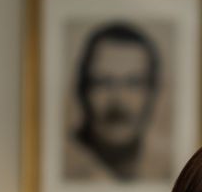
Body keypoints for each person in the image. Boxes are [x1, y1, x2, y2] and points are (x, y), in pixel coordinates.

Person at [64, 21, 169, 182]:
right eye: (102, 82)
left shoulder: (165, 167)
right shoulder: (65, 163)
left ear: (153, 92)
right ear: (82, 91)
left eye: (134, 83)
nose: (118, 99)